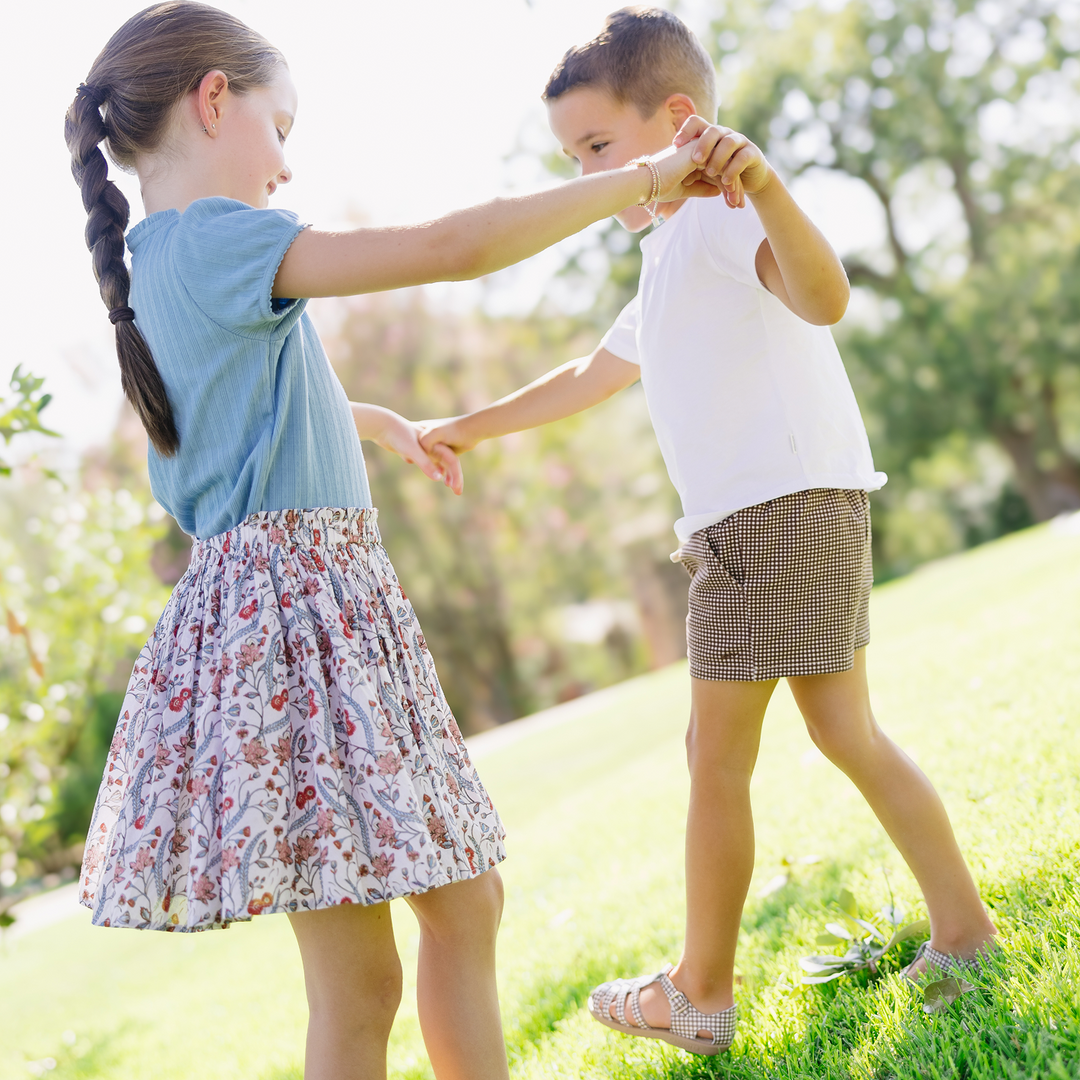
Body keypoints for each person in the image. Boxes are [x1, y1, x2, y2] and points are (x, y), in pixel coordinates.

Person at [65, 4, 731, 1079]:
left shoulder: (156, 259)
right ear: (214, 99)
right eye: (282, 125)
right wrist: (649, 178)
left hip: (279, 621)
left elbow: (249, 410)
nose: (285, 165)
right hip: (300, 627)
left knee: (415, 939)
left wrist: (374, 424)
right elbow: (449, 249)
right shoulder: (221, 237)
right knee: (442, 919)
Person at [419, 5, 999, 1057]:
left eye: (598, 147)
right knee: (839, 734)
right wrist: (462, 426)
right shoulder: (671, 246)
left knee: (715, 752)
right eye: (573, 156)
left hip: (773, 515)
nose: (589, 174)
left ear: (678, 123)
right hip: (778, 511)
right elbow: (589, 375)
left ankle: (700, 991)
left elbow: (823, 298)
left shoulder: (729, 214)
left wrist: (767, 184)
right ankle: (962, 933)